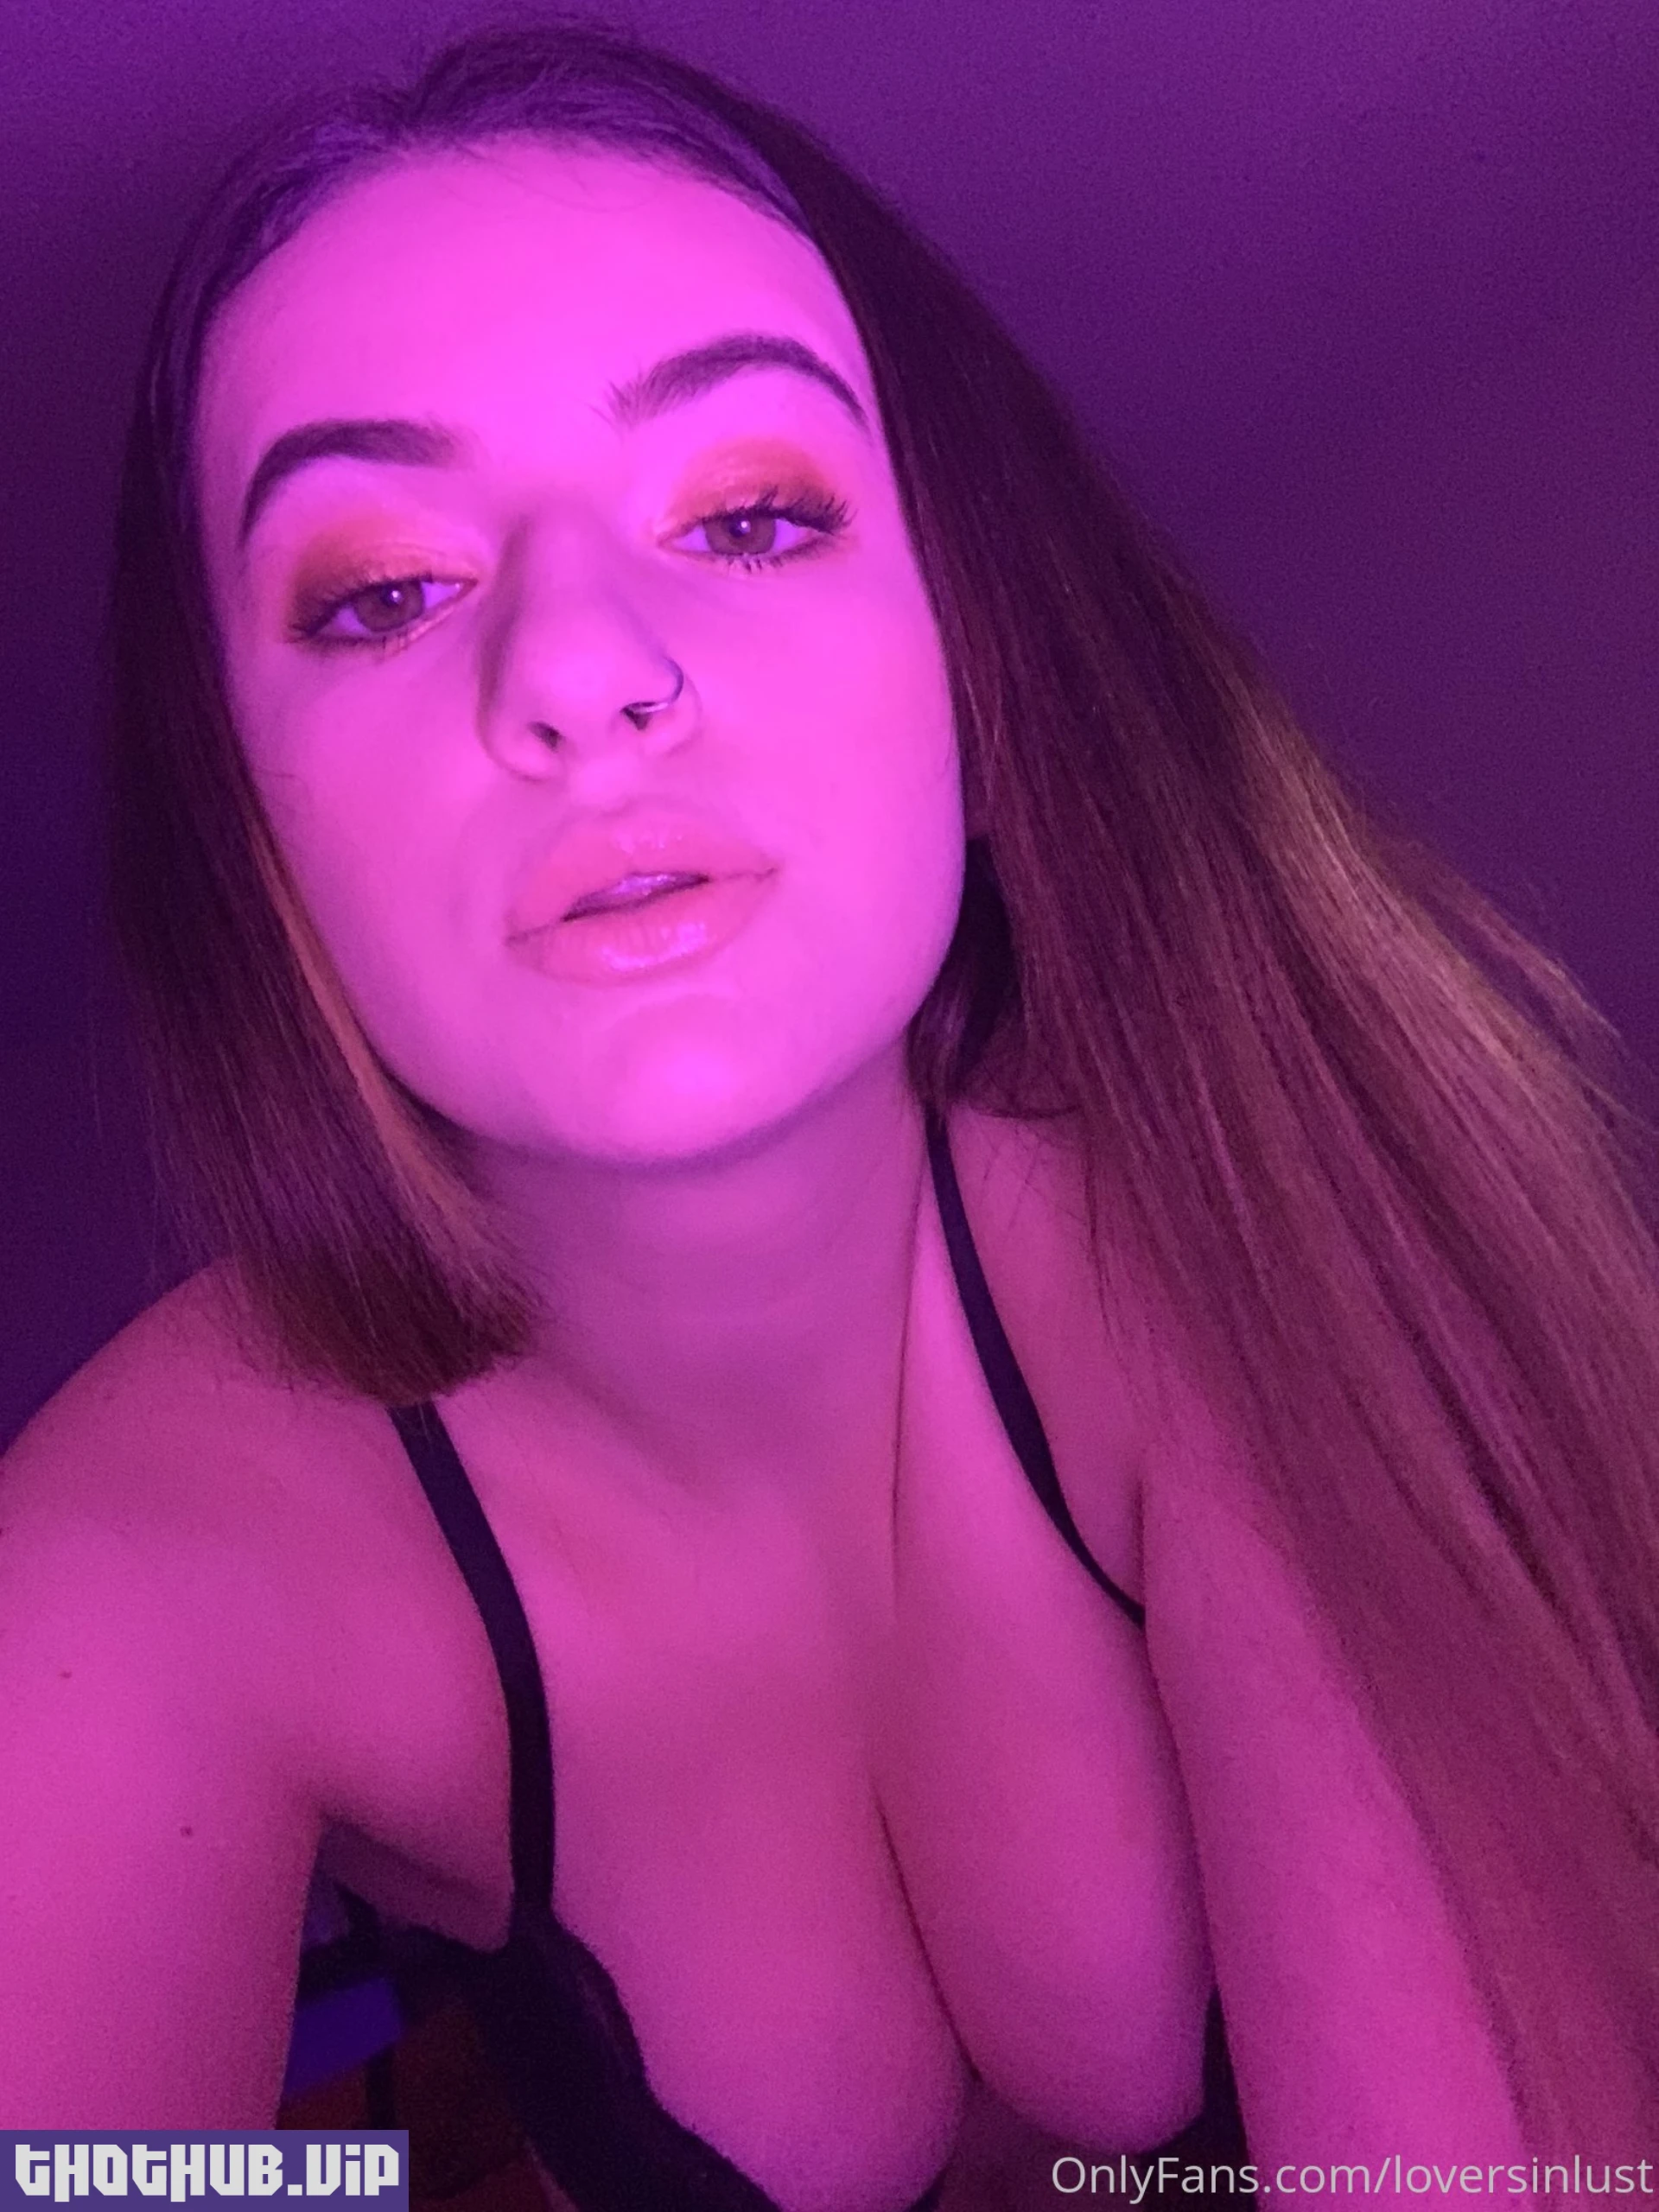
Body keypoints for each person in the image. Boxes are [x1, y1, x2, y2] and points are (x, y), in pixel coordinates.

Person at [3, 15, 1658, 2206]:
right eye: (385, 590)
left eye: (754, 514)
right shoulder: (128, 1571)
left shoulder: (1249, 1221)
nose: (580, 667)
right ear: (246, 828)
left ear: (977, 658)